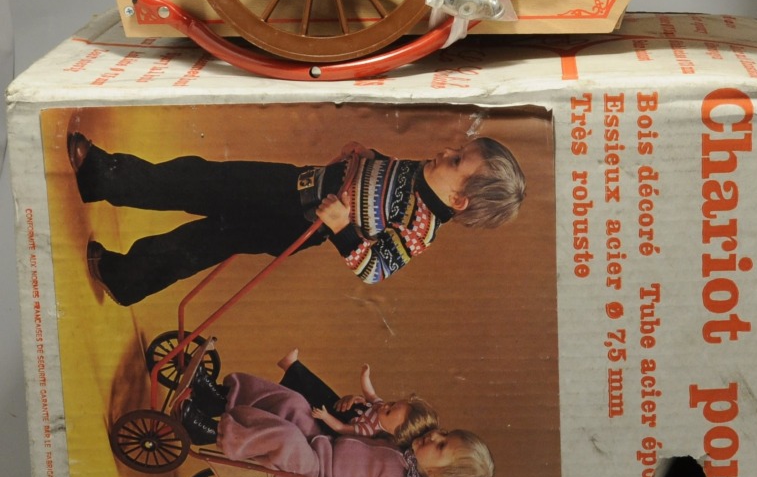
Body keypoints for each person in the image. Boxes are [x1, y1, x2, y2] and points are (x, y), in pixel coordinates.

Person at [67, 132, 525, 305]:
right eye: (457, 148)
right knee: (201, 177)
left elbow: (374, 269)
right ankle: (107, 178)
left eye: (457, 160)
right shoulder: (424, 171)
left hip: (294, 221)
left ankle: (126, 274)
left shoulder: (420, 227)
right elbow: (383, 179)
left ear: (459, 200)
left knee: (202, 239)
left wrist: (342, 227)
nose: (446, 151)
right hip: (293, 182)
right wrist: (367, 155)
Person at [181, 369, 494, 477]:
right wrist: (355, 403)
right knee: (294, 403)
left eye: (441, 446)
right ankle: (221, 399)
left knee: (287, 439)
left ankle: (210, 432)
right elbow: (374, 421)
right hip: (320, 445)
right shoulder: (404, 449)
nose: (435, 435)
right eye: (445, 433)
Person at [276, 347, 437, 443]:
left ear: (392, 432)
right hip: (339, 407)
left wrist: (325, 416)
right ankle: (291, 365)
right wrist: (365, 376)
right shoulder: (379, 407)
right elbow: (370, 393)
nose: (385, 406)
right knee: (317, 388)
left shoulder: (370, 430)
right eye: (392, 403)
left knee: (307, 399)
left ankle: (289, 373)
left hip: (333, 419)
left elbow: (342, 428)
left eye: (389, 412)